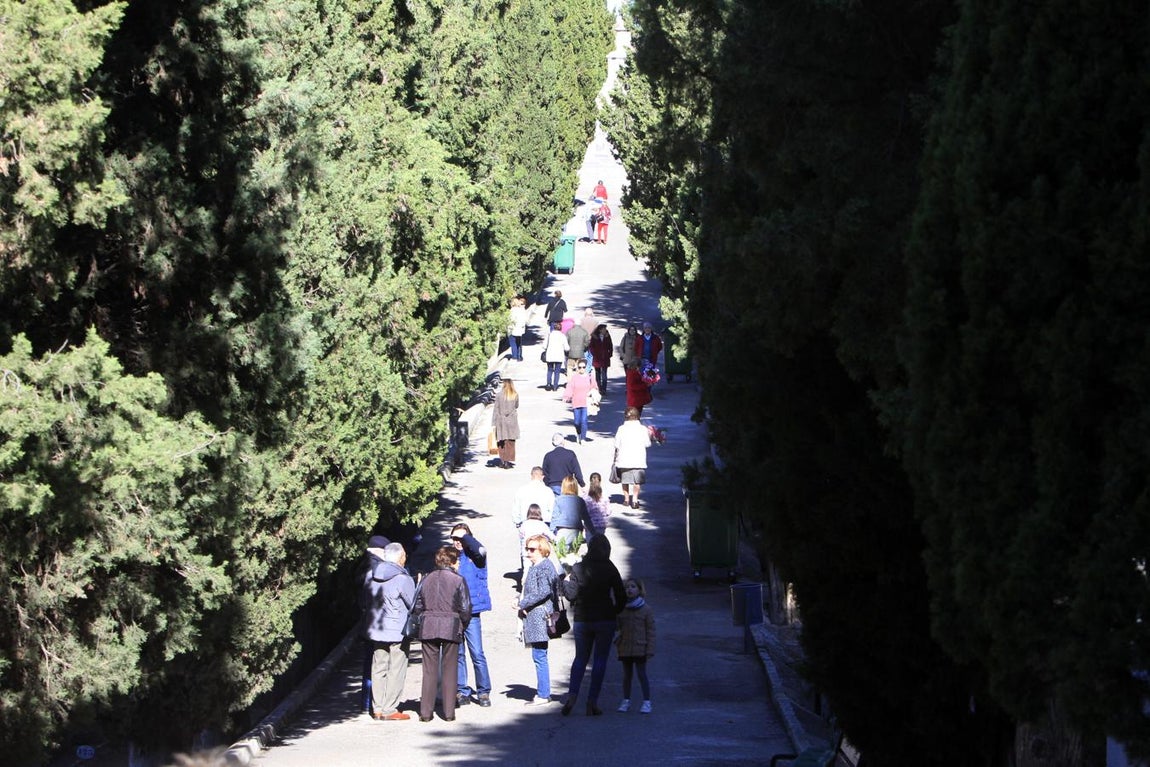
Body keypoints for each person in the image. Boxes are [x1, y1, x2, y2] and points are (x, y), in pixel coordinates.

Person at [560, 534, 625, 716]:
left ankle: (572, 695)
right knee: (600, 660)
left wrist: (564, 583)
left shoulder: (578, 568)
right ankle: (592, 702)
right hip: (605, 618)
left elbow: (571, 596)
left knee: (580, 658)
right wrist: (615, 611)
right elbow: (621, 595)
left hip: (582, 618)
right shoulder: (610, 568)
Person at [414, 546, 471, 722]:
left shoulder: (426, 579)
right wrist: (462, 623)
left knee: (429, 671)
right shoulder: (458, 580)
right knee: (450, 669)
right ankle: (448, 712)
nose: (459, 563)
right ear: (452, 561)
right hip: (451, 626)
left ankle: (425, 712)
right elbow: (465, 608)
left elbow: (417, 606)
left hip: (428, 625)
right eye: (458, 560)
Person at [363, 541, 415, 721]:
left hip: (377, 628)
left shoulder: (370, 575)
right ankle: (390, 708)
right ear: (400, 557)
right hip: (397, 630)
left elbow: (367, 600)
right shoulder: (402, 579)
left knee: (378, 666)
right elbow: (412, 603)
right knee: (396, 668)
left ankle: (376, 708)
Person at [451, 524, 492, 709]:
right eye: (454, 539)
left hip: (473, 611)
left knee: (477, 653)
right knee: (458, 653)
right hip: (455, 612)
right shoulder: (452, 558)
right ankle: (462, 690)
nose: (457, 543)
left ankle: (483, 691)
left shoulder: (476, 557)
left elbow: (480, 549)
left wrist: (466, 539)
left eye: (461, 539)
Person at [517, 534, 559, 706]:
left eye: (532, 549)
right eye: (527, 549)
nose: (528, 552)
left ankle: (543, 694)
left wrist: (523, 603)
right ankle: (543, 692)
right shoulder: (537, 566)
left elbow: (544, 591)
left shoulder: (544, 567)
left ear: (542, 550)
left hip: (540, 616)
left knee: (540, 655)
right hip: (536, 616)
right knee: (539, 655)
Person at [615, 577, 656, 714]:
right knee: (627, 675)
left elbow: (651, 631)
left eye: (633, 587)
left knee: (641, 674)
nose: (629, 590)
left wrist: (650, 649)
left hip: (640, 647)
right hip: (625, 647)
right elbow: (617, 627)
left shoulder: (646, 609)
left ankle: (646, 701)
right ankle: (626, 700)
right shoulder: (622, 609)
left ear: (639, 590)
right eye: (627, 587)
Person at [614, 407, 652, 508]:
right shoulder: (643, 429)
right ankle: (635, 499)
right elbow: (647, 444)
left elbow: (616, 444)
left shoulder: (621, 428)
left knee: (625, 480)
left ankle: (626, 499)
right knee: (637, 481)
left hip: (624, 458)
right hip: (638, 458)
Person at [551, 474, 597, 549]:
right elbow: (586, 519)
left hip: (562, 529)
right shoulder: (580, 500)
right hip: (576, 530)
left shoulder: (558, 500)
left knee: (563, 556)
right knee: (573, 555)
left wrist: (551, 532)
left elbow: (554, 517)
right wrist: (593, 532)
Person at [561, 359, 598, 444]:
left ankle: (583, 438)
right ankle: (579, 433)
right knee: (577, 422)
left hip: (586, 403)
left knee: (584, 420)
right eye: (580, 367)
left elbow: (594, 387)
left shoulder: (590, 377)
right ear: (577, 368)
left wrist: (594, 393)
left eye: (583, 367)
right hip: (576, 402)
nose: (582, 369)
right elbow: (570, 387)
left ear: (586, 367)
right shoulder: (574, 378)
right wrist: (566, 396)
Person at [493, 379, 520, 469]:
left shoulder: (499, 395)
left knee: (501, 441)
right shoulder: (515, 395)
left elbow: (496, 409)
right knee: (510, 442)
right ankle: (508, 461)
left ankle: (502, 460)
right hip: (511, 421)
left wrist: (493, 422)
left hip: (501, 421)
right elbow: (516, 406)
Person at [543, 322, 569, 391]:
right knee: (557, 371)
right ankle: (555, 386)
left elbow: (544, 346)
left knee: (549, 370)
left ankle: (548, 384)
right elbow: (566, 348)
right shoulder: (563, 336)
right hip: (559, 356)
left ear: (554, 328)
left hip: (550, 355)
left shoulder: (549, 335)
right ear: (561, 328)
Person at [588, 324, 614, 393]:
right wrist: (594, 353)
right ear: (600, 330)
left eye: (605, 329)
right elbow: (591, 346)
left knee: (604, 374)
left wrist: (610, 354)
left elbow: (610, 345)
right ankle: (599, 387)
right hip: (597, 358)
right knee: (598, 373)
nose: (605, 330)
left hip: (605, 357)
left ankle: (604, 388)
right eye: (603, 329)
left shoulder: (607, 336)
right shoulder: (594, 337)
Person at [507, 296, 527, 362]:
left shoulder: (512, 311)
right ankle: (519, 356)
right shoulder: (521, 310)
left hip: (512, 329)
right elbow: (525, 320)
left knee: (513, 343)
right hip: (520, 329)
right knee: (519, 343)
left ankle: (514, 356)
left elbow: (510, 320)